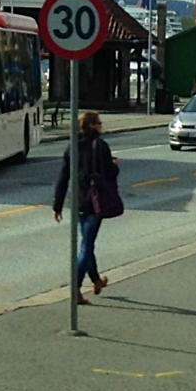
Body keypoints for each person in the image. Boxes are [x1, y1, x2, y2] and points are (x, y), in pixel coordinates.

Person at [52, 111, 119, 303]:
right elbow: (109, 172)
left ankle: (96, 280)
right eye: (98, 123)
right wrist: (115, 165)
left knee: (87, 242)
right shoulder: (100, 146)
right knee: (86, 246)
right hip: (95, 202)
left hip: (78, 200)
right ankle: (76, 289)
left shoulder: (72, 146)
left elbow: (63, 176)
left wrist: (57, 205)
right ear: (91, 125)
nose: (101, 125)